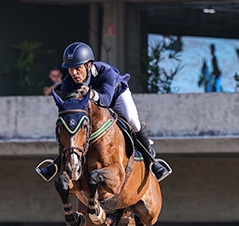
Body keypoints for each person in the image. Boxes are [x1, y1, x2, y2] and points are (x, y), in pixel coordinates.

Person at [36, 42, 172, 182]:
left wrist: (90, 93)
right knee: (75, 130)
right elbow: (70, 108)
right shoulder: (68, 82)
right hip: (91, 105)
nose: (74, 73)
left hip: (117, 96)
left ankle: (152, 161)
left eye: (77, 68)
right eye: (70, 69)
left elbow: (106, 101)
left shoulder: (106, 72)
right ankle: (57, 164)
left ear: (88, 65)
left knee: (133, 121)